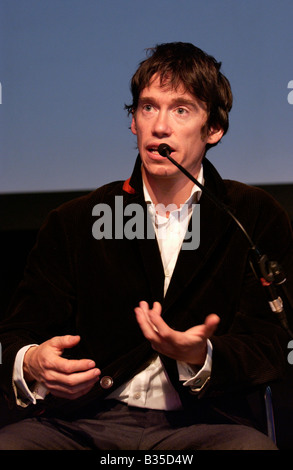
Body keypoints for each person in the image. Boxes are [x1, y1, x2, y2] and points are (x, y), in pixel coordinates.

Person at [0, 42, 292, 450]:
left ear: (214, 129)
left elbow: (271, 344)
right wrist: (31, 360)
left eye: (181, 110)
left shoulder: (252, 216)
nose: (159, 126)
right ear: (134, 122)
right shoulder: (76, 219)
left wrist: (201, 353)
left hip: (204, 425)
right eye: (148, 108)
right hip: (82, 424)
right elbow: (17, 332)